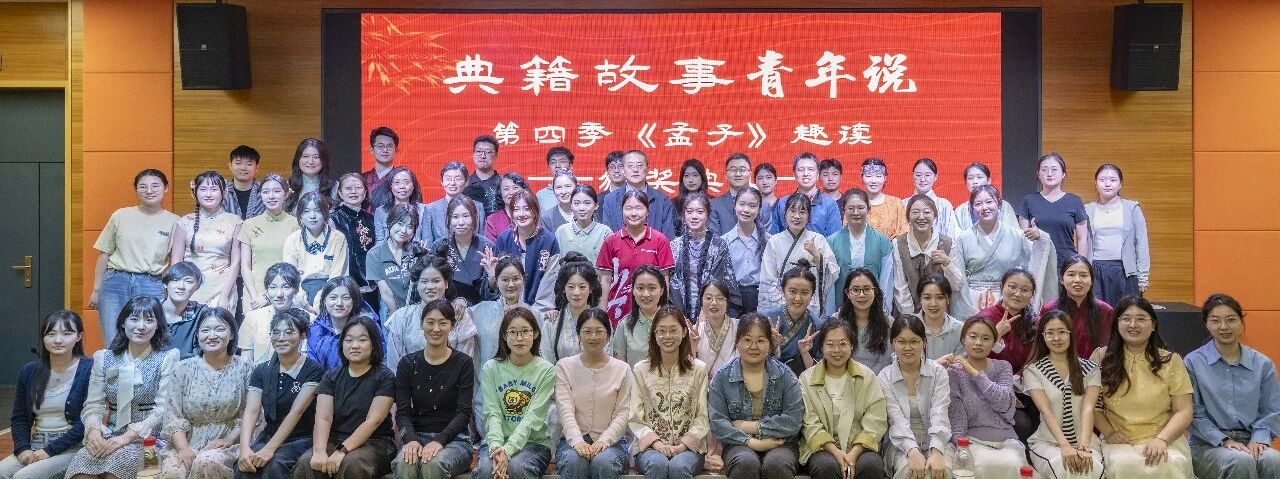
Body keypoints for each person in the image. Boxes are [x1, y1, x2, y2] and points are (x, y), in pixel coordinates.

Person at [65, 296, 181, 479]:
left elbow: (163, 411)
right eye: (134, 319)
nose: (141, 326)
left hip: (152, 441)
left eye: (149, 320)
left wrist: (127, 438)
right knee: (81, 467)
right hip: (111, 436)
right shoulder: (104, 357)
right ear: (123, 323)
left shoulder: (168, 358)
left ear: (158, 325)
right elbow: (93, 405)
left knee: (115, 469)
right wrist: (94, 431)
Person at [1092, 295, 1194, 478]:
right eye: (1126, 318)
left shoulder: (1170, 361)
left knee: (1171, 463)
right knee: (1122, 465)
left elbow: (1184, 411)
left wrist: (1162, 439)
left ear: (1153, 325)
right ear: (1116, 323)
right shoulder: (1101, 358)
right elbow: (1092, 406)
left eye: (1141, 318)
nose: (1133, 324)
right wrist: (1109, 432)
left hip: (1165, 437)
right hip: (1119, 440)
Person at [1184, 293, 1280, 479]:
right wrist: (1224, 440)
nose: (1224, 326)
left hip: (1251, 438)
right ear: (1206, 324)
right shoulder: (1193, 362)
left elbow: (1271, 410)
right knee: (1240, 461)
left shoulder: (1263, 364)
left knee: (1273, 460)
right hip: (1207, 445)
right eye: (1215, 320)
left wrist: (1259, 439)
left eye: (1231, 320)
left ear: (1241, 322)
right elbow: (1193, 413)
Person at [294, 316, 397, 479]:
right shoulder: (331, 376)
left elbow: (373, 421)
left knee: (352, 464)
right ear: (342, 344)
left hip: (375, 441)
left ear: (374, 345)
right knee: (306, 462)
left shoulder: (385, 376)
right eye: (349, 340)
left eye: (362, 340)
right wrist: (319, 451)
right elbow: (323, 418)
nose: (354, 345)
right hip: (335, 439)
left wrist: (342, 450)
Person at [158, 307, 253, 478]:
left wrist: (229, 440)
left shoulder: (246, 368)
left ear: (232, 334)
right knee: (174, 471)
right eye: (205, 330)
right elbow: (172, 416)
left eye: (220, 329)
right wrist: (183, 448)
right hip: (187, 441)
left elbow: (251, 415)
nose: (212, 335)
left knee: (207, 462)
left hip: (229, 443)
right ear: (197, 335)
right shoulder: (182, 369)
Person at [709, 313, 805, 479]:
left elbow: (793, 420)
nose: (753, 346)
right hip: (737, 443)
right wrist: (752, 442)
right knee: (745, 463)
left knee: (777, 464)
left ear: (769, 343)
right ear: (737, 342)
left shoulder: (785, 375)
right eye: (747, 340)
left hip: (781, 442)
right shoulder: (722, 377)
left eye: (760, 340)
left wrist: (752, 427)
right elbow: (718, 423)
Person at [90, 168, 180, 344]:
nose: (149, 190)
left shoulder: (175, 221)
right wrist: (96, 290)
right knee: (114, 339)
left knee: (148, 339)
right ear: (136, 190)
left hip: (151, 284)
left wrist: (170, 292)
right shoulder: (120, 215)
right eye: (143, 186)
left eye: (155, 186)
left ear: (166, 188)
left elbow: (175, 262)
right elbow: (104, 254)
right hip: (115, 283)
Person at [0, 311, 92, 479]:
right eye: (51, 334)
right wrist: (23, 448)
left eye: (67, 333)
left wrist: (50, 450)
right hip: (36, 445)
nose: (58, 340)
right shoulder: (29, 371)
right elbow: (19, 417)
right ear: (43, 337)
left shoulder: (90, 369)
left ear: (79, 336)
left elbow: (88, 420)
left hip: (73, 448)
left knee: (24, 477)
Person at [236, 310, 325, 479]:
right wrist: (245, 448)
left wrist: (269, 449)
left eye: (289, 332)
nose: (281, 338)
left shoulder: (313, 370)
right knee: (245, 465)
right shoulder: (261, 370)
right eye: (276, 333)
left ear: (303, 336)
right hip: (269, 434)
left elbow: (296, 412)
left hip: (302, 438)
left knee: (274, 464)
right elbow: (252, 411)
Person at [937, 317, 1029, 479]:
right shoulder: (953, 373)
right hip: (972, 442)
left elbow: (1006, 405)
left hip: (1006, 441)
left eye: (986, 338)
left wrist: (974, 373)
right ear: (963, 339)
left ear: (994, 343)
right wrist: (962, 449)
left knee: (1013, 463)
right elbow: (957, 419)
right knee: (982, 464)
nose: (978, 343)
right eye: (973, 336)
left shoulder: (1003, 367)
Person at [393, 299, 476, 479]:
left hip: (455, 440)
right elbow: (403, 412)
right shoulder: (407, 364)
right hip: (417, 436)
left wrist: (439, 440)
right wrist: (411, 440)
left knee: (432, 463)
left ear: (452, 326)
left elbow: (463, 413)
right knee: (406, 464)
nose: (436, 329)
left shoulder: (463, 363)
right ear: (422, 325)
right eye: (430, 322)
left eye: (443, 323)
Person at [798, 319, 889, 479]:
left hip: (859, 446)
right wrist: (836, 451)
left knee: (871, 465)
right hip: (822, 448)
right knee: (826, 466)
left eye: (842, 344)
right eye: (830, 344)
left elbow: (876, 419)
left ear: (852, 345)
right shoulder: (806, 379)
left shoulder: (867, 376)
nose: (836, 350)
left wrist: (853, 453)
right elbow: (809, 422)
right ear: (822, 347)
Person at [628, 305, 711, 479]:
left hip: (689, 448)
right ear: (654, 334)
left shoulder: (698, 370)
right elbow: (636, 418)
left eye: (673, 330)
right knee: (657, 465)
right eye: (662, 331)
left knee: (679, 467)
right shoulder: (641, 370)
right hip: (650, 447)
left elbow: (703, 417)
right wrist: (657, 444)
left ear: (684, 332)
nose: (667, 336)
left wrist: (683, 445)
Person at [948, 184, 1056, 317]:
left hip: (1009, 300)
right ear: (972, 208)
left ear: (999, 204)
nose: (984, 207)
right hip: (973, 301)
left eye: (989, 202)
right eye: (978, 204)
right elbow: (959, 279)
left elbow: (1035, 263)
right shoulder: (963, 238)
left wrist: (1041, 239)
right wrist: (966, 308)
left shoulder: (1017, 236)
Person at [475, 307, 557, 479]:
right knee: (486, 470)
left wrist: (508, 450)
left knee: (517, 467)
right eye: (512, 332)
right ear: (504, 336)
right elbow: (492, 413)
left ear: (535, 334)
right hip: (496, 441)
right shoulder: (491, 368)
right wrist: (497, 447)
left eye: (525, 331)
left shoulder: (547, 370)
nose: (519, 338)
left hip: (534, 443)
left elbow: (533, 418)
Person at [1022, 310, 1105, 479]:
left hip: (1086, 441)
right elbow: (1045, 410)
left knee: (1091, 469)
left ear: (1070, 334)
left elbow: (1088, 409)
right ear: (1043, 337)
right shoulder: (1033, 371)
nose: (1056, 338)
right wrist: (1065, 446)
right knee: (1065, 468)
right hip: (1047, 442)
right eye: (1050, 333)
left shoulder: (1091, 369)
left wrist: (1083, 447)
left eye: (1061, 332)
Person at [554, 308, 633, 479]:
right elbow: (565, 410)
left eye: (599, 331)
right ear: (579, 334)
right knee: (574, 461)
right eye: (587, 332)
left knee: (603, 462)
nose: (593, 337)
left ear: (608, 335)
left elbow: (623, 412)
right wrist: (577, 441)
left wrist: (605, 440)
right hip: (572, 441)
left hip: (613, 443)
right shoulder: (564, 367)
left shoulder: (622, 369)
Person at [468, 257, 539, 437]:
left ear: (523, 280)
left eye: (515, 278)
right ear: (496, 281)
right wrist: (459, 301)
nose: (510, 284)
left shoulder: (536, 314)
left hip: (526, 391)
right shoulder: (480, 311)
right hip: (488, 393)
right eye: (505, 279)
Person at [878, 316, 951, 479]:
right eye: (901, 341)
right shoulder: (884, 377)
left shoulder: (938, 372)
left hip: (937, 441)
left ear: (924, 343)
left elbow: (940, 413)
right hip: (900, 446)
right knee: (910, 471)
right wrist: (912, 451)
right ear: (892, 343)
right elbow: (896, 420)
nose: (908, 347)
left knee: (942, 470)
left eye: (914, 341)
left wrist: (936, 451)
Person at [595, 189, 675, 326]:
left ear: (648, 211)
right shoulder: (611, 241)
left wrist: (662, 313)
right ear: (621, 211)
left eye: (639, 208)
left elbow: (665, 280)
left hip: (651, 313)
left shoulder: (660, 240)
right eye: (628, 208)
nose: (633, 213)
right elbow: (605, 280)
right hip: (617, 313)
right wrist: (602, 314)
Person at [383, 255, 478, 369]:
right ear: (417, 285)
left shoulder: (459, 315)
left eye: (436, 281)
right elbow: (394, 364)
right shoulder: (401, 317)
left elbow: (465, 363)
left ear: (446, 284)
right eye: (424, 281)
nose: (430, 286)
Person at [171, 171, 243, 310]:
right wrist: (177, 290)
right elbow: (176, 262)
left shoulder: (235, 222)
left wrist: (224, 295)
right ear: (195, 192)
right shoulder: (184, 222)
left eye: (214, 189)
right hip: (188, 288)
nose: (208, 194)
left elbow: (236, 262)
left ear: (224, 192)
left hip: (222, 288)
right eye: (203, 189)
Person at [760, 194, 839, 320]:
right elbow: (768, 278)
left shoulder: (818, 240)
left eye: (802, 212)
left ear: (809, 216)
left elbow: (833, 273)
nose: (797, 216)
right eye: (792, 211)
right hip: (781, 305)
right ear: (785, 213)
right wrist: (784, 302)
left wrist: (816, 255)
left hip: (810, 304)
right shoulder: (774, 241)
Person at [1086, 164, 1151, 307]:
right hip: (1095, 269)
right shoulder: (1087, 209)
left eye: (1113, 180)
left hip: (1124, 271)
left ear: (1120, 184)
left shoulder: (1132, 208)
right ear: (1096, 183)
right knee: (1098, 315)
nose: (1107, 183)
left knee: (1125, 314)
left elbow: (1141, 243)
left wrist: (1143, 277)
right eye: (1102, 179)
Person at [670, 193, 738, 321]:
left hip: (711, 310)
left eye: (700, 212)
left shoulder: (719, 245)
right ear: (683, 215)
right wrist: (680, 316)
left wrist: (703, 316)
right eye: (689, 212)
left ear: (708, 214)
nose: (694, 216)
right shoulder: (675, 245)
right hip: (679, 313)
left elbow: (717, 282)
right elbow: (673, 284)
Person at [826, 188, 893, 314]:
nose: (855, 212)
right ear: (844, 210)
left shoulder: (883, 242)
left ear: (869, 209)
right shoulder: (831, 242)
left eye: (861, 208)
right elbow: (829, 284)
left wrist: (884, 311)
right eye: (850, 208)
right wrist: (830, 314)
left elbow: (886, 281)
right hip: (841, 308)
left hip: (873, 309)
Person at [237, 174, 298, 313]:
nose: (271, 196)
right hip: (254, 294)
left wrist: (268, 297)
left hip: (284, 294)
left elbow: (296, 265)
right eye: (265, 192)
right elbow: (245, 266)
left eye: (277, 191)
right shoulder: (249, 225)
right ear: (261, 195)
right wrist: (255, 297)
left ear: (286, 194)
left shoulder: (296, 224)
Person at [1018, 152, 1090, 266]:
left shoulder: (1075, 201)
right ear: (1038, 174)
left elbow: (1082, 239)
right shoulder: (1028, 201)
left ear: (1063, 174)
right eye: (1044, 170)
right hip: (1037, 264)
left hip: (1067, 265)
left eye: (1054, 169)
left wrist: (1082, 266)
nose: (1049, 174)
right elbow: (1023, 239)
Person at [494, 190, 560, 305]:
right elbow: (501, 280)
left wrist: (538, 310)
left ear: (536, 211)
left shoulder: (549, 240)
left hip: (542, 308)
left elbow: (550, 280)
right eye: (516, 209)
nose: (521, 214)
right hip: (509, 306)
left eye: (527, 209)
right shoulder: (504, 239)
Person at [890, 194, 953, 316]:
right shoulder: (898, 243)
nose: (921, 217)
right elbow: (900, 286)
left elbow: (957, 285)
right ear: (908, 216)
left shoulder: (948, 243)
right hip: (908, 315)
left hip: (940, 314)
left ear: (934, 215)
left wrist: (947, 263)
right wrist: (913, 319)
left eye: (927, 212)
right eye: (915, 212)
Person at [1041, 255, 1113, 359]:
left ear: (1092, 280)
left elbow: (1108, 348)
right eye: (1071, 275)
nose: (1077, 280)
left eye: (1083, 275)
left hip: (1096, 367)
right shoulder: (1049, 309)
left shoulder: (1105, 311)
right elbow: (1042, 347)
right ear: (1061, 279)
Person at [282, 192, 349, 303]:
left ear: (325, 213)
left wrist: (324, 297)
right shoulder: (293, 239)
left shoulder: (338, 238)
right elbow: (290, 275)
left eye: (317, 211)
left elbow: (338, 273)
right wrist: (302, 301)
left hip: (331, 291)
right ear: (300, 215)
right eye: (306, 211)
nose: (312, 216)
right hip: (299, 291)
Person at [762, 260, 823, 376]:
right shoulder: (765, 319)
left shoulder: (817, 325)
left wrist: (805, 353)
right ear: (783, 292)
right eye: (792, 291)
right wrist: (772, 347)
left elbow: (819, 369)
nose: (798, 298)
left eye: (804, 293)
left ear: (812, 295)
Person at [433, 196, 497, 305]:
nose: (461, 222)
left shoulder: (487, 247)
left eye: (466, 216)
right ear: (449, 220)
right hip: (447, 308)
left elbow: (492, 293)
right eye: (455, 217)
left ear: (474, 218)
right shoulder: (439, 246)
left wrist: (492, 277)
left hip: (480, 308)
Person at [307, 277, 381, 370]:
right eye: (333, 298)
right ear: (325, 300)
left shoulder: (370, 327)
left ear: (354, 300)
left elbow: (379, 360)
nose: (339, 303)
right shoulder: (315, 330)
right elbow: (313, 367)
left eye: (346, 298)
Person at [599, 150, 676, 238]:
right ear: (623, 170)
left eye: (639, 165)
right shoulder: (610, 199)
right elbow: (607, 237)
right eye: (630, 166)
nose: (635, 170)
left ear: (647, 170)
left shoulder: (662, 200)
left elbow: (668, 237)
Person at [239, 263, 308, 363]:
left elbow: (306, 361)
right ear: (267, 290)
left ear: (296, 290)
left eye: (286, 287)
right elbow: (246, 362)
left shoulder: (308, 319)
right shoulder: (253, 318)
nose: (279, 294)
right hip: (259, 372)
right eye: (273, 287)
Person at [542, 253, 604, 363]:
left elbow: (607, 358)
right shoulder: (552, 322)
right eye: (571, 287)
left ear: (590, 289)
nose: (576, 293)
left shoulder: (602, 321)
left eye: (582, 287)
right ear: (563, 289)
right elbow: (547, 362)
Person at [829, 268, 893, 373]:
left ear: (875, 291)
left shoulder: (888, 323)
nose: (861, 295)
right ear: (847, 293)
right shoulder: (836, 321)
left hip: (878, 379)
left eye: (867, 289)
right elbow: (832, 357)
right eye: (856, 290)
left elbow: (886, 360)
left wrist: (868, 379)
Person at [977, 268, 1041, 373]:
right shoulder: (985, 317)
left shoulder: (1035, 321)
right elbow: (974, 354)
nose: (1018, 294)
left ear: (1032, 294)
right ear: (1001, 287)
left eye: (1025, 290)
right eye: (1012, 287)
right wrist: (997, 334)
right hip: (988, 377)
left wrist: (1021, 376)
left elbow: (1038, 355)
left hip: (1025, 377)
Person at [368, 204, 426, 315]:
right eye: (400, 224)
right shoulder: (374, 254)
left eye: (410, 227)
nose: (404, 230)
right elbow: (386, 293)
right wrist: (397, 318)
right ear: (390, 222)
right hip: (393, 310)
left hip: (419, 309)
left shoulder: (418, 250)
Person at [331, 173, 379, 309]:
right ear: (340, 193)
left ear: (365, 192)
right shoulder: (332, 219)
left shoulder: (370, 217)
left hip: (372, 281)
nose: (353, 192)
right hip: (345, 282)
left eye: (358, 188)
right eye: (348, 188)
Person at [721, 187, 767, 318]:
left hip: (761, 300)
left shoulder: (769, 241)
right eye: (742, 204)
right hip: (732, 301)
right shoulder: (724, 242)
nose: (746, 210)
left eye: (752, 206)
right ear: (735, 206)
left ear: (759, 209)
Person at [769, 152, 840, 236]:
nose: (806, 174)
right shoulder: (783, 203)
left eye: (811, 169)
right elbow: (775, 237)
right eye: (801, 170)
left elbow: (834, 239)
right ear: (794, 174)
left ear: (818, 174)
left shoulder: (829, 204)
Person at [611, 265, 670, 367]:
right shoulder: (624, 325)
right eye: (640, 288)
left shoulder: (674, 321)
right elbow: (620, 368)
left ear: (661, 290)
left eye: (652, 288)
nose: (646, 294)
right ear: (633, 290)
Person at [426, 161, 486, 247]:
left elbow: (481, 240)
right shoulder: (431, 209)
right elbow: (427, 243)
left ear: (466, 182)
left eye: (457, 179)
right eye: (448, 179)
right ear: (442, 182)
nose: (452, 183)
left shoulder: (478, 207)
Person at [709, 153, 767, 237]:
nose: (738, 174)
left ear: (750, 174)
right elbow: (714, 238)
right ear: (726, 175)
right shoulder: (714, 204)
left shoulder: (764, 205)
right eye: (733, 170)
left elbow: (765, 238)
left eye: (742, 170)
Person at [160, 261, 208, 359]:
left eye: (188, 281)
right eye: (175, 280)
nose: (181, 286)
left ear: (197, 286)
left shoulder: (202, 313)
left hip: (187, 366)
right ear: (165, 283)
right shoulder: (151, 311)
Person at [372, 166, 431, 245]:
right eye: (397, 182)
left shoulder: (424, 210)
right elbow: (379, 241)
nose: (402, 186)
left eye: (407, 182)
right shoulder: (381, 212)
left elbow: (427, 240)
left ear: (413, 186)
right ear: (390, 186)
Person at [692, 281, 740, 378]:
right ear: (701, 302)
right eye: (708, 298)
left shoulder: (739, 327)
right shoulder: (695, 331)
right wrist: (692, 348)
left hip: (730, 384)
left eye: (720, 298)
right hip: (703, 384)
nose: (714, 303)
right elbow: (689, 366)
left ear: (727, 302)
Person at [952, 162, 1018, 233]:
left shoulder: (1004, 206)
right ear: (966, 183)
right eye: (970, 178)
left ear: (989, 180)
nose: (975, 181)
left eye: (979, 177)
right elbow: (957, 236)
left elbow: (1013, 233)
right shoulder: (960, 210)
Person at [555, 185, 611, 263]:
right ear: (571, 205)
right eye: (577, 203)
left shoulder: (605, 232)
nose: (581, 208)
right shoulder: (561, 231)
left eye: (587, 203)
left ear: (596, 206)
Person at [915, 275, 965, 360]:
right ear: (920, 299)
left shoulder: (959, 329)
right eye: (927, 298)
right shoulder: (908, 327)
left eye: (940, 297)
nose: (933, 304)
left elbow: (959, 364)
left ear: (948, 300)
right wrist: (936, 365)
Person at [903, 158, 956, 238]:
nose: (922, 179)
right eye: (918, 175)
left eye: (927, 175)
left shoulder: (944, 205)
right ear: (913, 175)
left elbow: (952, 235)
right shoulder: (903, 205)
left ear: (935, 177)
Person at [285, 138, 335, 214]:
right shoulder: (286, 187)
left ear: (324, 160)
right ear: (298, 159)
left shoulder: (335, 188)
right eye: (305, 156)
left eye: (316, 157)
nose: (311, 161)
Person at [860, 158, 907, 239]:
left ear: (885, 178)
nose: (873, 181)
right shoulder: (855, 204)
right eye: (868, 176)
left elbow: (904, 233)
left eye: (878, 176)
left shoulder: (896, 204)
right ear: (861, 177)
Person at [485, 173, 532, 242]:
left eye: (515, 188)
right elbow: (491, 245)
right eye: (506, 189)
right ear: (500, 193)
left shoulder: (532, 215)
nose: (511, 192)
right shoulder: (492, 220)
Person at [466, 135, 504, 218]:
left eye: (488, 152)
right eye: (479, 151)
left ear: (496, 156)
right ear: (473, 154)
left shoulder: (503, 184)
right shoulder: (464, 184)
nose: (483, 156)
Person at [222, 145, 264, 220]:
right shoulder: (221, 192)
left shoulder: (265, 192)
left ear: (257, 168)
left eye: (249, 164)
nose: (243, 168)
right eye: (238, 163)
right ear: (230, 166)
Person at [363, 126, 399, 211]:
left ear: (396, 150)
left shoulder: (402, 179)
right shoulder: (362, 179)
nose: (385, 150)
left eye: (389, 146)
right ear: (371, 150)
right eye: (380, 146)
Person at [672, 159, 710, 238]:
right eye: (686, 176)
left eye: (695, 175)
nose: (691, 180)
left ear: (702, 177)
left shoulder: (712, 202)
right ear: (682, 179)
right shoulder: (674, 203)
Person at [541, 171, 578, 235]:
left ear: (576, 187)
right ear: (553, 190)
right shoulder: (547, 218)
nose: (563, 192)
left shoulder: (587, 212)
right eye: (559, 187)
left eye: (568, 186)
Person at [753, 163, 779, 234]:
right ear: (755, 182)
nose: (764, 182)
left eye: (768, 177)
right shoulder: (751, 207)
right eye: (760, 178)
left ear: (775, 180)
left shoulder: (783, 206)